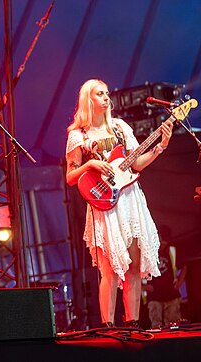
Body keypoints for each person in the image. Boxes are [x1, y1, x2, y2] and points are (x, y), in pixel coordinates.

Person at [64, 79, 173, 328]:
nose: (105, 97)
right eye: (99, 94)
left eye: (106, 93)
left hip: (129, 199)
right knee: (111, 270)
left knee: (134, 266)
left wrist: (161, 147)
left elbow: (136, 163)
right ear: (87, 100)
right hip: (104, 204)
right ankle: (108, 326)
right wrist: (90, 164)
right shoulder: (77, 135)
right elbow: (70, 177)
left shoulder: (121, 128)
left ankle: (133, 322)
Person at [145, 226, 187, 328]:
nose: (163, 243)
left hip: (171, 294)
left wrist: (179, 283)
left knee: (173, 325)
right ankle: (158, 344)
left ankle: (174, 343)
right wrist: (144, 286)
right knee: (156, 326)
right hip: (154, 296)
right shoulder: (149, 252)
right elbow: (137, 271)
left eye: (165, 240)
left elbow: (184, 266)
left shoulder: (172, 251)